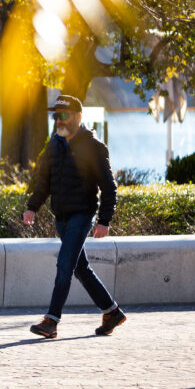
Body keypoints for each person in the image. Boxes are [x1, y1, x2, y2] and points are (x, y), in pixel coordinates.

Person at [22, 94, 125, 339]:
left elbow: (109, 186)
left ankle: (51, 321)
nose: (59, 120)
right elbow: (43, 181)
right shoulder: (54, 145)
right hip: (62, 217)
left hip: (83, 213)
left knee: (65, 264)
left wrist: (104, 220)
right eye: (56, 115)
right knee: (81, 269)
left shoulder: (94, 147)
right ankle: (112, 312)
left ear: (78, 117)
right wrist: (32, 207)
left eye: (64, 115)